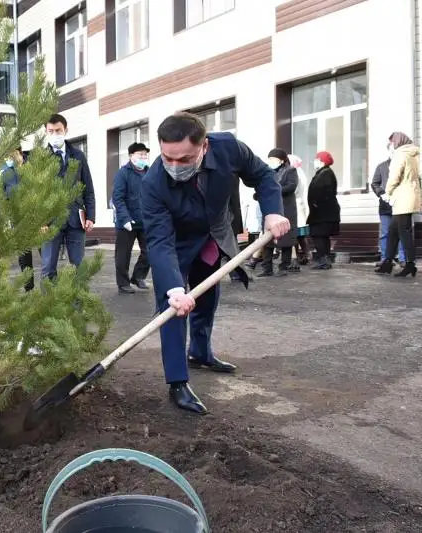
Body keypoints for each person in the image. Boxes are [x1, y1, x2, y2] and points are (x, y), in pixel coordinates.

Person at [141, 112, 289, 415]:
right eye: (167, 158)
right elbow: (159, 242)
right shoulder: (153, 183)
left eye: (184, 159)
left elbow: (262, 175)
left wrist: (272, 211)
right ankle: (178, 382)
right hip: (176, 245)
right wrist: (172, 288)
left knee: (207, 298)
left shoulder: (228, 148)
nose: (174, 167)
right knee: (174, 309)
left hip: (213, 234)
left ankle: (200, 352)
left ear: (204, 146)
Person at [40, 114, 96, 279]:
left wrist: (91, 216)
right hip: (50, 222)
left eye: (58, 130)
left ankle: (78, 304)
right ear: (46, 132)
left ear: (66, 130)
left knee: (78, 268)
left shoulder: (78, 156)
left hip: (75, 220)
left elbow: (88, 188)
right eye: (51, 131)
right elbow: (35, 193)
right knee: (48, 269)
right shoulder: (40, 158)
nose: (55, 134)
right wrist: (40, 221)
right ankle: (49, 304)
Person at [375, 132, 422, 277]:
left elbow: (394, 176)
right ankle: (388, 262)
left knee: (404, 232)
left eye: (392, 142)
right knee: (393, 231)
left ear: (398, 142)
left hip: (402, 198)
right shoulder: (412, 154)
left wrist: (388, 192)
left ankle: (410, 264)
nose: (392, 145)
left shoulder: (400, 154)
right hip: (409, 196)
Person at [112, 142, 151, 293]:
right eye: (140, 154)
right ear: (131, 156)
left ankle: (138, 276)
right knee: (123, 255)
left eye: (145, 154)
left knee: (150, 252)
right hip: (126, 221)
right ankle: (123, 283)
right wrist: (125, 218)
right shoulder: (123, 173)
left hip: (145, 220)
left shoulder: (149, 172)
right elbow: (118, 198)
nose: (143, 157)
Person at [259, 149, 298, 277]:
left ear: (281, 160)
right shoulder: (268, 173)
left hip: (286, 208)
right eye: (269, 159)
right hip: (271, 209)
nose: (271, 162)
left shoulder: (290, 171)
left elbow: (291, 186)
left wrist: (273, 191)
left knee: (285, 239)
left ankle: (284, 266)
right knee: (268, 239)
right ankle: (267, 268)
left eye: (273, 159)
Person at [1, 147, 35, 291]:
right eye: (6, 156)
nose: (8, 158)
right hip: (18, 219)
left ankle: (50, 289)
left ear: (19, 152)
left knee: (46, 254)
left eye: (10, 154)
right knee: (24, 255)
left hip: (36, 217)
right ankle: (29, 289)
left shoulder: (32, 167)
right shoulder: (6, 173)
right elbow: (3, 196)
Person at [306, 151, 340, 270]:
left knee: (318, 235)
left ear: (322, 161)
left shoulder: (325, 173)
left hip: (323, 212)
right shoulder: (324, 173)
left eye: (316, 159)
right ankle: (324, 260)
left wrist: (316, 204)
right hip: (324, 212)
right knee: (322, 236)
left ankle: (323, 260)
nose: (314, 162)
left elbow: (322, 192)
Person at [371, 153, 406, 266]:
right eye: (391, 149)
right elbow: (375, 183)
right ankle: (385, 258)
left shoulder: (405, 166)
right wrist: (381, 193)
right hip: (385, 206)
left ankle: (403, 258)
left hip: (401, 205)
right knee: (385, 233)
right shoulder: (381, 166)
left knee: (402, 232)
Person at [288, 154, 311, 266]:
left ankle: (295, 258)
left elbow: (293, 190)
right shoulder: (301, 173)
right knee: (300, 235)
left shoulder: (294, 173)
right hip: (300, 205)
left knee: (294, 234)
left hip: (294, 205)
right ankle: (307, 254)